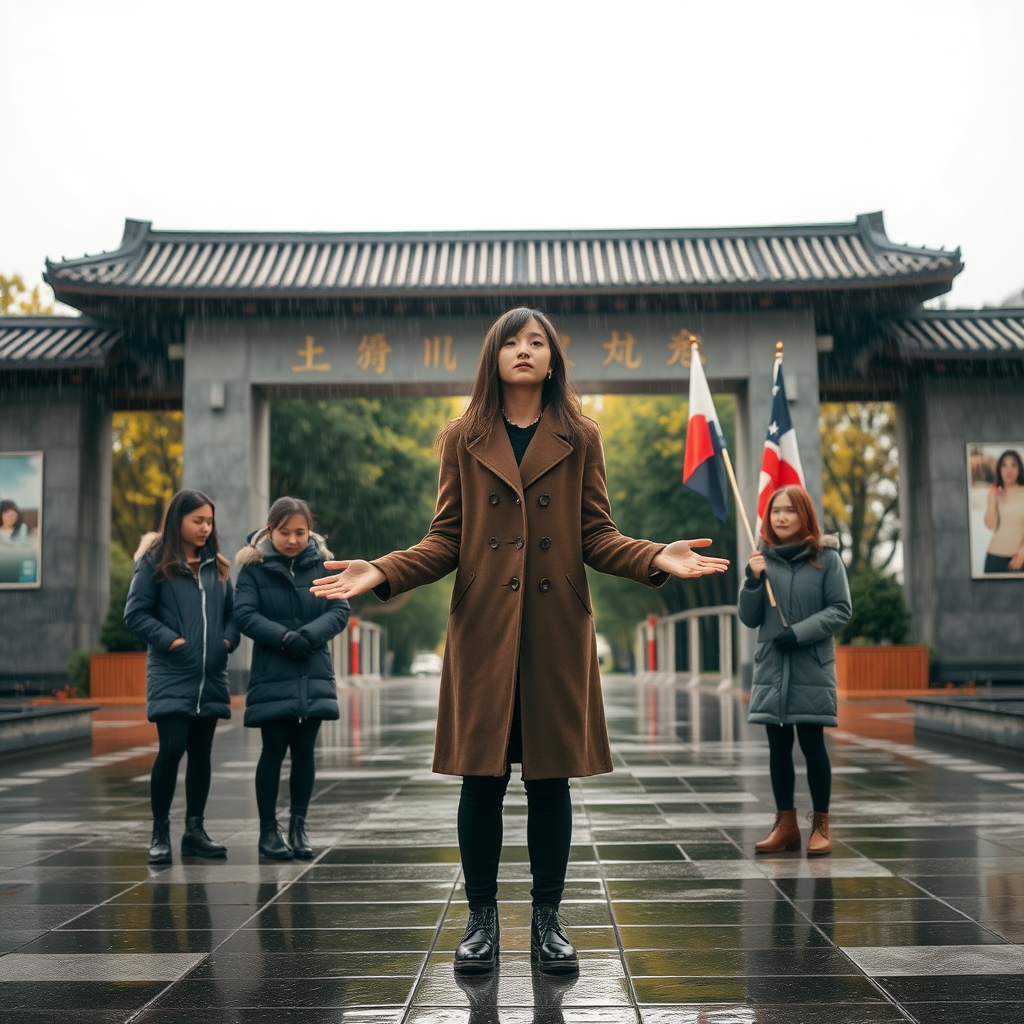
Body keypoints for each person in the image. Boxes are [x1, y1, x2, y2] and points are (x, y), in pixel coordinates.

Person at [310, 307, 728, 974]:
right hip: (483, 630)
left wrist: (654, 556)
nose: (525, 351)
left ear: (554, 358)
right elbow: (446, 538)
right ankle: (480, 923)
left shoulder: (580, 435)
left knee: (549, 782)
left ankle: (547, 921)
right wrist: (383, 569)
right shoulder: (462, 436)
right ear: (494, 357)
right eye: (513, 342)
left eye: (538, 342)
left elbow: (596, 534)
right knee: (480, 782)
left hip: (555, 631)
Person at [124, 488, 239, 864]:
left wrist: (226, 641)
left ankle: (195, 831)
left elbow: (234, 615)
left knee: (201, 754)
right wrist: (172, 642)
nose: (206, 528)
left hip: (210, 677)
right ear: (179, 521)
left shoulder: (217, 566)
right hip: (171, 675)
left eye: (210, 521)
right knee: (172, 748)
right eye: (198, 521)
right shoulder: (155, 563)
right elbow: (136, 614)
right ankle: (159, 833)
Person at [234, 497, 350, 860]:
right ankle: (269, 833)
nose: (293, 539)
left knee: (304, 753)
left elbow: (340, 607)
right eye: (285, 532)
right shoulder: (254, 567)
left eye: (300, 532)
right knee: (273, 751)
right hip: (274, 672)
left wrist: (310, 636)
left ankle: (298, 827)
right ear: (271, 530)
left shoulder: (322, 564)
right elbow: (244, 614)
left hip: (312, 670)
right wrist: (286, 638)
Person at [739, 485, 852, 857]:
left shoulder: (826, 559)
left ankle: (821, 825)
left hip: (811, 667)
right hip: (772, 668)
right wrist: (752, 582)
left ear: (805, 515)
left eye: (789, 510)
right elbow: (749, 617)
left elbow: (840, 610)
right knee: (777, 746)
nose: (782, 517)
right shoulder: (762, 559)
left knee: (812, 743)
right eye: (775, 511)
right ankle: (785, 825)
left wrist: (799, 634)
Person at [983, 449, 1024, 574]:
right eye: (1004, 465)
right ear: (999, 469)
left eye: (1013, 465)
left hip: (1018, 558)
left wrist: (1023, 552)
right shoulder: (994, 493)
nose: (1009, 470)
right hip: (994, 557)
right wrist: (992, 500)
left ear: (1019, 469)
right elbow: (990, 525)